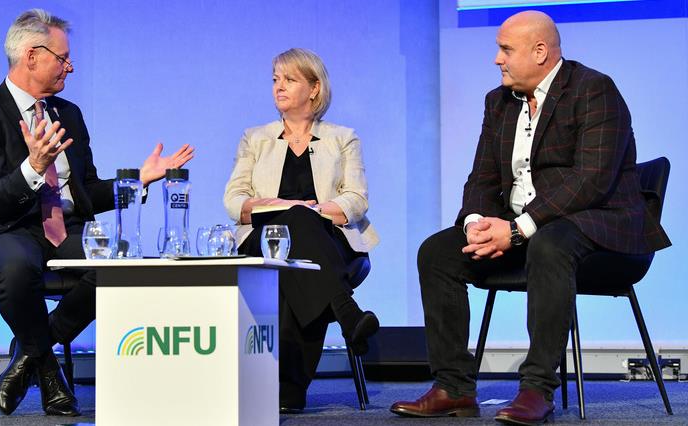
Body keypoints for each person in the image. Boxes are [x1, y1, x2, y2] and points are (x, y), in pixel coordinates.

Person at [390, 10, 670, 425]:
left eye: (505, 50)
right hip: (530, 231)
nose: (496, 59)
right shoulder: (499, 101)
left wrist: (519, 230)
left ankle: (537, 389)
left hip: (599, 228)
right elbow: (482, 178)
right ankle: (453, 387)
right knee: (438, 252)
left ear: (540, 52)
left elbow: (589, 181)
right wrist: (475, 224)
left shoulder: (595, 90)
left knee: (551, 242)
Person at [0, 9, 193, 417]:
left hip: (66, 231)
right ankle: (47, 368)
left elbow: (87, 192)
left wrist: (138, 181)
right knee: (16, 267)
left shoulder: (68, 114)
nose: (70, 67)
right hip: (4, 229)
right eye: (62, 58)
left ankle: (29, 352)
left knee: (122, 259)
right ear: (30, 56)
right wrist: (32, 167)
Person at [224, 48, 380, 414]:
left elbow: (356, 199)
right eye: (275, 80)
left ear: (314, 88)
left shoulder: (343, 137)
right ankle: (346, 313)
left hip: (330, 238)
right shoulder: (255, 138)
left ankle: (288, 389)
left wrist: (316, 211)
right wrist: (271, 208)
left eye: (289, 79)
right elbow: (234, 198)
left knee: (298, 241)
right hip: (265, 238)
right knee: (290, 236)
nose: (279, 87)